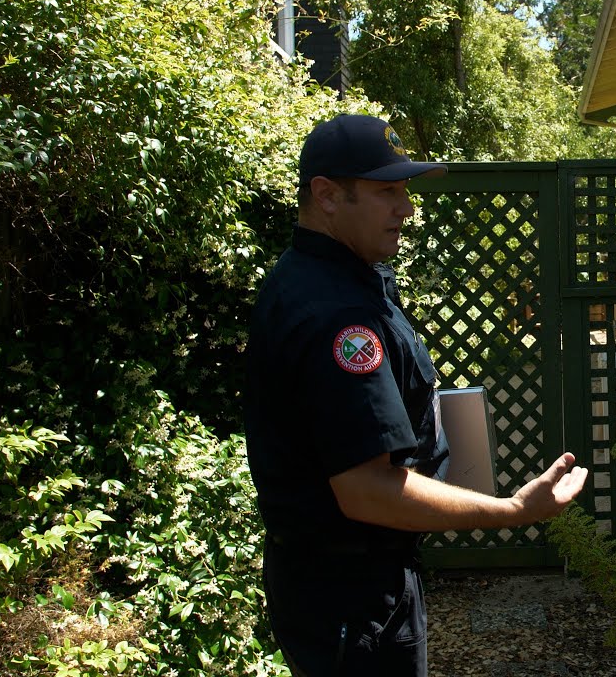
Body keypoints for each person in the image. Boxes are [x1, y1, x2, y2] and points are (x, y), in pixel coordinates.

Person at [244, 113, 589, 676]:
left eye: (405, 190)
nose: (406, 208)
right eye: (387, 192)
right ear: (327, 196)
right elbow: (365, 491)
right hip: (353, 603)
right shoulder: (337, 314)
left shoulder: (332, 280)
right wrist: (512, 511)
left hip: (339, 588)